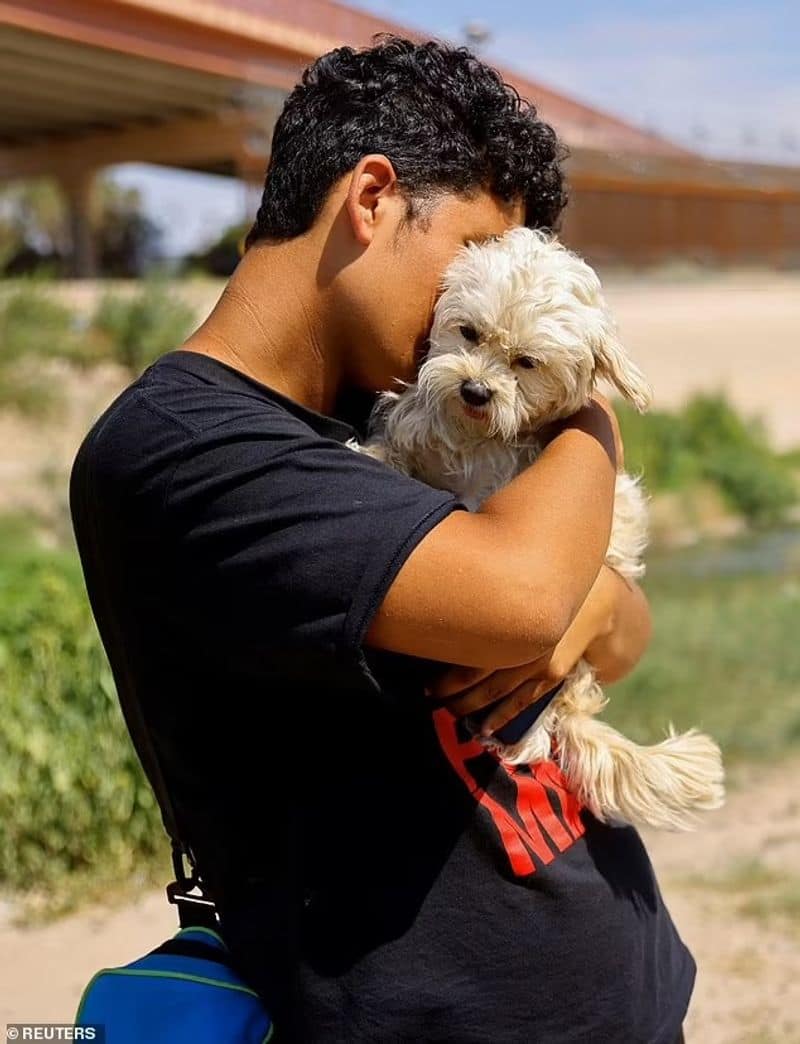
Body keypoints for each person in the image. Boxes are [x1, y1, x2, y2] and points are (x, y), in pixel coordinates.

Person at [70, 35, 693, 1043]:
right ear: (371, 199)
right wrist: (587, 413)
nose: (484, 289)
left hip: (627, 1000)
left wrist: (584, 596)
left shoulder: (399, 411)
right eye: (476, 250)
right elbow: (526, 598)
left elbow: (619, 629)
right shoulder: (182, 451)